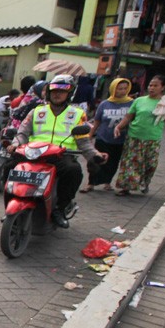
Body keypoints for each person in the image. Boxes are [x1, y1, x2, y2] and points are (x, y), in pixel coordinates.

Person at [10, 74, 108, 228]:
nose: (57, 94)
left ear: (69, 93)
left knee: (73, 170)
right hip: (35, 153)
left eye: (62, 91)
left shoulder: (77, 114)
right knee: (11, 163)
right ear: (48, 92)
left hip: (62, 155)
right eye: (54, 90)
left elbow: (84, 141)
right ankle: (13, 198)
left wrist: (94, 155)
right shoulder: (36, 111)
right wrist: (15, 145)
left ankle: (59, 209)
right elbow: (22, 133)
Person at [112, 74, 165, 196]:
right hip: (134, 137)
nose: (151, 88)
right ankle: (126, 187)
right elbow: (128, 117)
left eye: (155, 85)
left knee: (150, 165)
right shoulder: (139, 101)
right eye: (150, 85)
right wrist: (119, 126)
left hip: (152, 139)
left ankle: (144, 183)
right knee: (130, 163)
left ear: (162, 87)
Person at [81, 78, 133, 193]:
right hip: (103, 138)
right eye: (119, 89)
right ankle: (91, 183)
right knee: (96, 161)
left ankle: (107, 182)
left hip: (120, 140)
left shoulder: (131, 103)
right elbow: (97, 121)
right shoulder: (105, 104)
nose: (122, 91)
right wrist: (90, 134)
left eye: (125, 88)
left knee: (113, 163)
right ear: (113, 89)